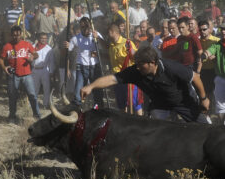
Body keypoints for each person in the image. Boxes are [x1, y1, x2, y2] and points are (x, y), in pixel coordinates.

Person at [81, 46, 211, 124]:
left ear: (152, 63)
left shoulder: (171, 67)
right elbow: (112, 79)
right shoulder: (136, 71)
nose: (137, 67)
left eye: (140, 64)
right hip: (160, 105)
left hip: (183, 101)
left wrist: (204, 99)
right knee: (157, 132)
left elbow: (195, 77)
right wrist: (91, 86)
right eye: (136, 63)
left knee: (203, 128)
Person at [0, 25, 41, 122]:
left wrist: (32, 57)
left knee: (32, 95)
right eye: (14, 35)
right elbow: (1, 59)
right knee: (12, 96)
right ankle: (12, 116)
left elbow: (36, 54)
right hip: (13, 75)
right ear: (11, 35)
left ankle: (37, 115)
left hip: (26, 74)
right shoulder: (7, 46)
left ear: (21, 34)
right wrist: (4, 67)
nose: (16, 37)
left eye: (18, 35)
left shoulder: (26, 44)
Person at [63, 17, 104, 108]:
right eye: (83, 27)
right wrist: (67, 46)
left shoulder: (96, 35)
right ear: (80, 28)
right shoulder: (76, 38)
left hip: (94, 66)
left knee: (97, 92)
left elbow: (104, 47)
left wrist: (97, 39)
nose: (86, 30)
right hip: (81, 67)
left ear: (91, 26)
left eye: (88, 27)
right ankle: (77, 110)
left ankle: (99, 110)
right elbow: (68, 50)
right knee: (78, 92)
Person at [107, 23, 142, 115]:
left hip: (128, 77)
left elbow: (136, 57)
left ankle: (141, 120)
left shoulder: (127, 43)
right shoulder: (111, 45)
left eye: (108, 32)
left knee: (135, 102)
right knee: (121, 103)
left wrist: (130, 50)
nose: (107, 34)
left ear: (113, 32)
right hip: (117, 78)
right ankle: (125, 121)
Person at [202, 22, 225, 123]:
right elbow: (209, 51)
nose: (223, 31)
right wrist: (204, 55)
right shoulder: (218, 44)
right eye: (222, 29)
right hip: (220, 78)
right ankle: (222, 126)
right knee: (220, 105)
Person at [199, 20, 219, 111]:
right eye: (201, 30)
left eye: (204, 29)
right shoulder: (198, 42)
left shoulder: (216, 41)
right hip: (202, 70)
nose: (202, 31)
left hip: (214, 70)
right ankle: (207, 110)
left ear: (209, 29)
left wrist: (215, 57)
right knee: (205, 92)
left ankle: (215, 110)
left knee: (215, 91)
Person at [32, 33, 55, 109]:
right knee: (35, 88)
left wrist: (51, 72)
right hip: (35, 70)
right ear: (39, 38)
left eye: (45, 38)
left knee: (46, 88)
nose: (43, 40)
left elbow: (51, 61)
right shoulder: (33, 47)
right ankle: (34, 104)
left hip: (45, 70)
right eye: (42, 38)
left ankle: (45, 104)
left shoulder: (49, 49)